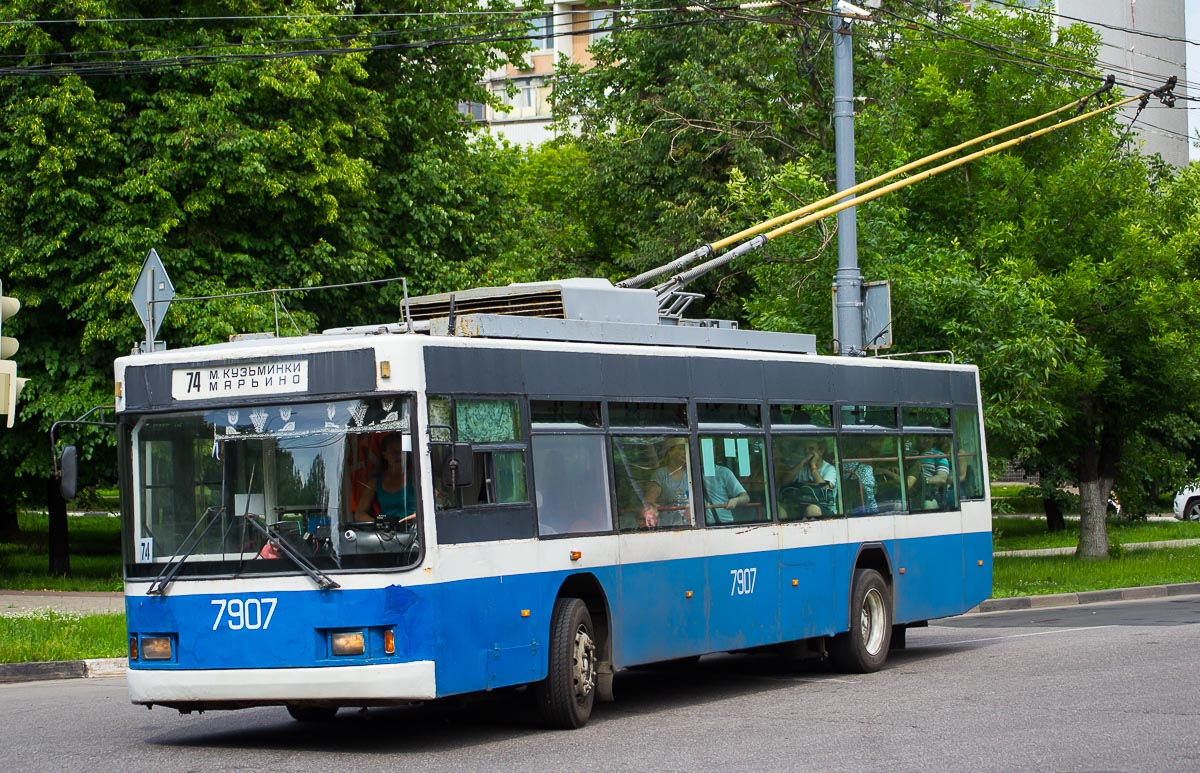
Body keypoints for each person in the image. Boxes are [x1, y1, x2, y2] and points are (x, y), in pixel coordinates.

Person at [354, 433, 416, 525]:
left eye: (402, 451)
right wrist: (379, 523)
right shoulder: (375, 482)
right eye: (393, 451)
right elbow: (359, 514)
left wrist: (414, 518)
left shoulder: (418, 478)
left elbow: (432, 506)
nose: (398, 455)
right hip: (387, 534)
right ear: (384, 454)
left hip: (415, 530)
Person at [640, 438, 694, 528]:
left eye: (685, 448)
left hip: (688, 524)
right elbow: (649, 502)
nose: (685, 451)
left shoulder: (689, 473)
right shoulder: (660, 474)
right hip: (667, 525)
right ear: (670, 451)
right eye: (681, 448)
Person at [783, 438, 838, 518]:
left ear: (821, 452)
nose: (807, 452)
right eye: (805, 449)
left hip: (824, 507)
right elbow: (785, 481)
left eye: (811, 449)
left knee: (812, 510)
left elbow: (825, 487)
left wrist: (813, 465)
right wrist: (802, 462)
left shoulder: (829, 469)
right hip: (801, 504)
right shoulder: (802, 467)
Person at [905, 435, 950, 510]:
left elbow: (942, 478)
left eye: (930, 437)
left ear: (933, 439)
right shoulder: (910, 454)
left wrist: (923, 481)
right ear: (917, 438)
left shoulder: (939, 455)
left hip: (927, 496)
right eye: (923, 436)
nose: (927, 440)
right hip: (907, 494)